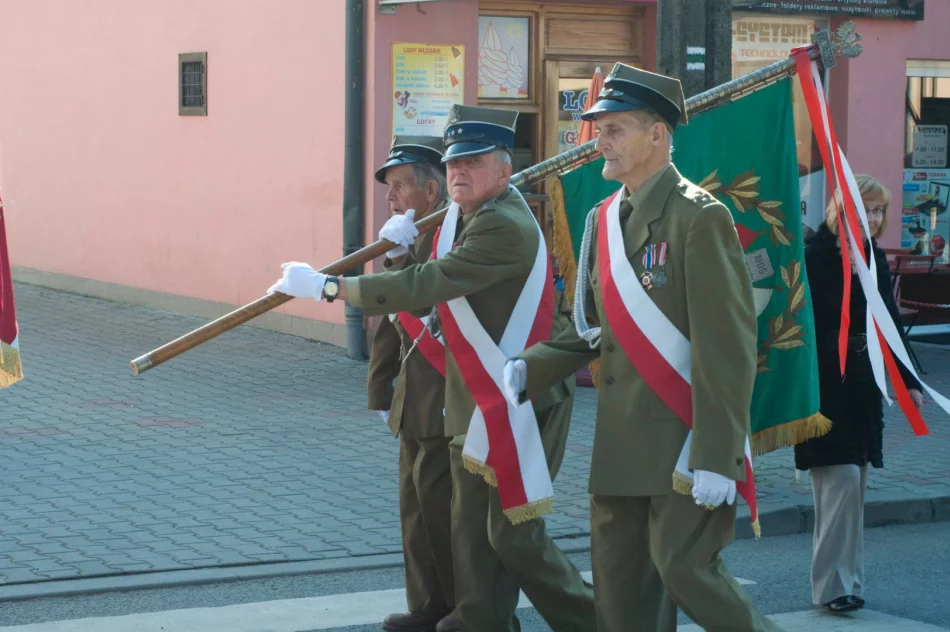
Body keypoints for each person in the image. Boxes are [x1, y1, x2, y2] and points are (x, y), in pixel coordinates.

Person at [268, 105, 595, 632]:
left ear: (506, 170)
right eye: (454, 161)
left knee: (514, 535)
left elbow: (428, 286)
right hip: (482, 395)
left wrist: (330, 287)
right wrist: (400, 255)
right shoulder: (465, 218)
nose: (460, 170)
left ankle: (596, 621)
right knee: (468, 528)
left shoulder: (503, 225)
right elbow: (421, 293)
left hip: (526, 395)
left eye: (475, 160)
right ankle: (479, 617)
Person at [502, 63, 781, 632]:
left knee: (689, 575)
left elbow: (726, 344)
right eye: (598, 128)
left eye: (615, 129)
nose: (599, 141)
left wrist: (717, 452)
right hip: (621, 446)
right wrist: (530, 368)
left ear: (658, 135)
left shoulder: (699, 217)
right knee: (621, 598)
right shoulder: (604, 219)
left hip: (682, 442)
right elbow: (594, 329)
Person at [794, 174, 924, 613]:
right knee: (840, 482)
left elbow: (889, 320)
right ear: (838, 209)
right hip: (824, 387)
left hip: (864, 387)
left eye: (877, 211)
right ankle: (832, 586)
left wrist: (908, 381)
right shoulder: (813, 256)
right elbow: (796, 325)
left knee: (853, 486)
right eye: (864, 208)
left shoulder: (873, 256)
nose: (872, 218)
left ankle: (846, 583)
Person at [365, 135, 456, 632]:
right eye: (388, 187)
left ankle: (462, 604)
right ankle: (426, 604)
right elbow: (389, 320)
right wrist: (380, 388)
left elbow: (421, 304)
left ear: (431, 192)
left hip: (444, 396)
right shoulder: (406, 240)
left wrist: (401, 260)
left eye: (400, 185)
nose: (391, 196)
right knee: (415, 511)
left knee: (443, 511)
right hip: (412, 400)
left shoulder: (447, 238)